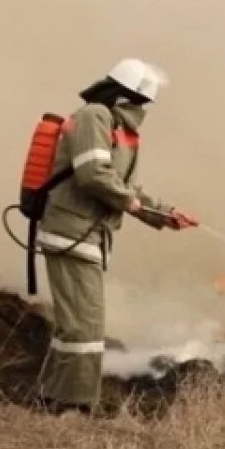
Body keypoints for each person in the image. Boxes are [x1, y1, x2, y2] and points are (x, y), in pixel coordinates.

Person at [35, 58, 200, 415]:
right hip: (71, 232)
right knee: (86, 329)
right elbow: (94, 174)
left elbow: (125, 187)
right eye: (142, 103)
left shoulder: (120, 130)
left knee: (75, 326)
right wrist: (133, 204)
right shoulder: (95, 116)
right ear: (129, 97)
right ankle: (74, 408)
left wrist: (166, 214)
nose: (144, 111)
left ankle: (52, 399)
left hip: (86, 234)